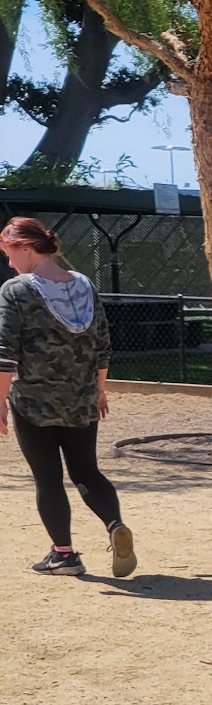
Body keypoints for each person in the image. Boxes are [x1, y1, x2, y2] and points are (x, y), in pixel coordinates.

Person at [0, 216, 137, 578]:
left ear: (25, 248)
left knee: (48, 478)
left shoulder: (16, 290)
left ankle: (64, 555)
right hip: (82, 400)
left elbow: (5, 355)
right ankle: (114, 525)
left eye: (9, 254)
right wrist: (100, 390)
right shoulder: (85, 284)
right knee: (86, 470)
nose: (9, 263)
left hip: (34, 402)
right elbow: (103, 346)